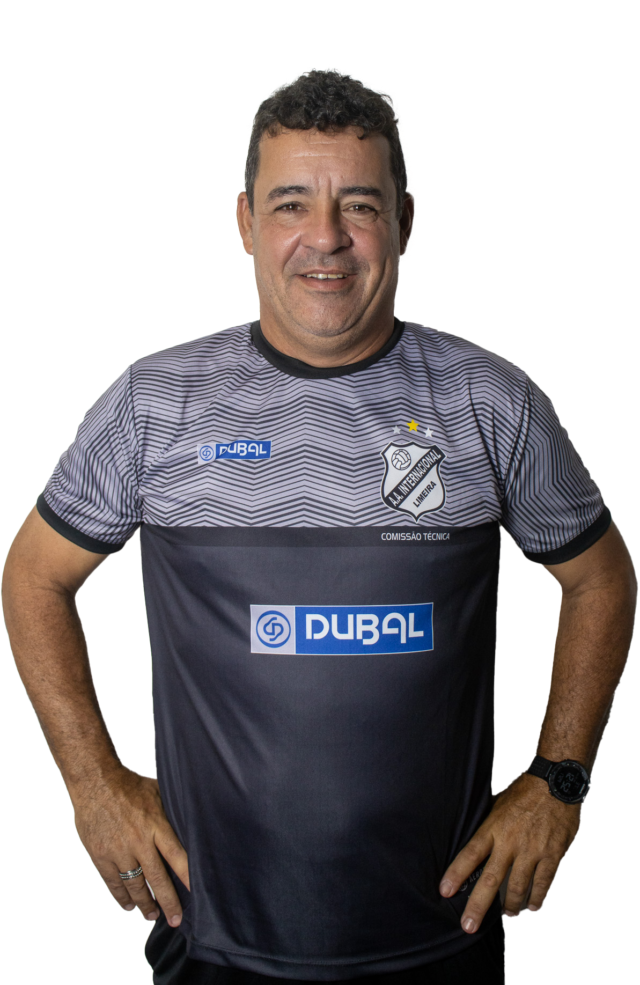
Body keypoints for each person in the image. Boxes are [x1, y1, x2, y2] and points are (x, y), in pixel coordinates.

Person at [2, 70, 636, 985]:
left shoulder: (489, 402)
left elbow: (601, 577)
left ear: (404, 221)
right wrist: (92, 783)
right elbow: (33, 576)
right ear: (245, 221)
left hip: (441, 935)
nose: (327, 237)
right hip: (215, 939)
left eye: (360, 205)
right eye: (292, 203)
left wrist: (559, 781)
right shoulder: (156, 404)